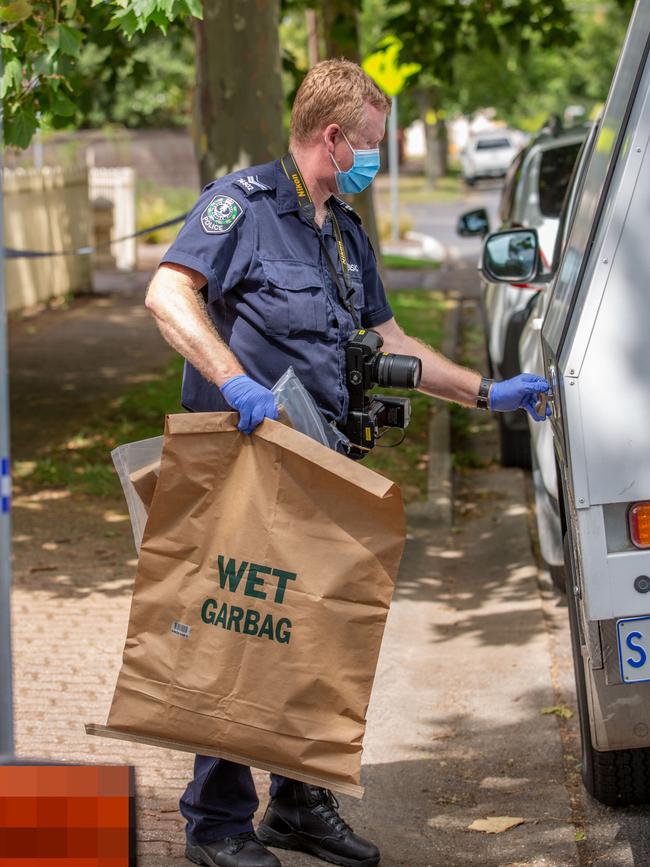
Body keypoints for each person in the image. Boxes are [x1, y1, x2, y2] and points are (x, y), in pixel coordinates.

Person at [144, 59, 550, 867]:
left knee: (318, 636)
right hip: (245, 458)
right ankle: (216, 825)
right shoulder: (245, 206)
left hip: (322, 461)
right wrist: (233, 379)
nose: (376, 158)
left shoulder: (344, 229)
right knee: (240, 631)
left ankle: (297, 801)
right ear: (333, 137)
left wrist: (488, 391)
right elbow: (168, 292)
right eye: (370, 144)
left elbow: (392, 340)